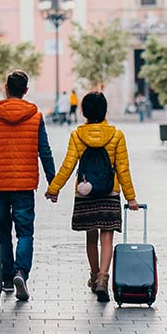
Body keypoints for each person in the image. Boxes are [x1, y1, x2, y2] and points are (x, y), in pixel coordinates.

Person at [44, 92, 139, 302]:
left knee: (91, 237)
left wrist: (54, 188)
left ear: (84, 111)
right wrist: (131, 198)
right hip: (109, 192)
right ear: (104, 110)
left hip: (85, 192)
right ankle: (103, 279)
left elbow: (68, 166)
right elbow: (123, 169)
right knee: (107, 237)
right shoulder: (116, 135)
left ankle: (95, 275)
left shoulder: (77, 135)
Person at [0, 70, 56, 301]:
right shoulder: (35, 116)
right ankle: (21, 272)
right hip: (24, 186)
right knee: (25, 232)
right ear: (26, 91)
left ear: (6, 88)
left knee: (2, 233)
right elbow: (45, 152)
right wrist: (53, 183)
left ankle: (7, 279)